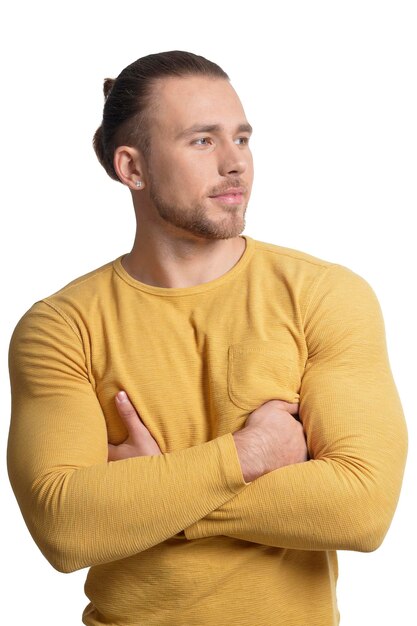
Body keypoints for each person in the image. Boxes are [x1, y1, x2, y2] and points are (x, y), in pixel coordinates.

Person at [7, 50, 407, 626]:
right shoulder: (61, 327)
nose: (235, 164)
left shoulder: (324, 295)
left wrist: (156, 490)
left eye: (241, 139)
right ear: (132, 168)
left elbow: (364, 508)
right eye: (202, 141)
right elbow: (65, 528)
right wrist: (251, 454)